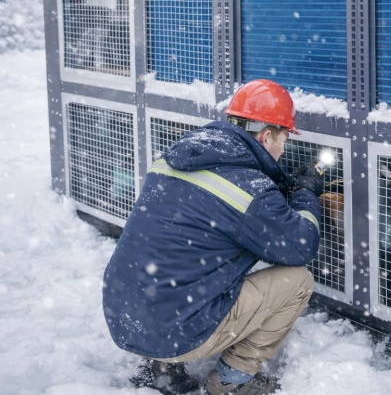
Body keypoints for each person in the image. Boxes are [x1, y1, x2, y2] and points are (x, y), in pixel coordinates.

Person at [103, 79, 325, 395]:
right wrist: (305, 194)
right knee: (297, 280)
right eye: (284, 140)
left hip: (125, 318)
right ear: (266, 136)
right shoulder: (249, 190)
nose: (283, 149)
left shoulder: (176, 156)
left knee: (186, 262)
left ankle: (161, 363)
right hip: (172, 330)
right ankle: (232, 380)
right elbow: (300, 246)